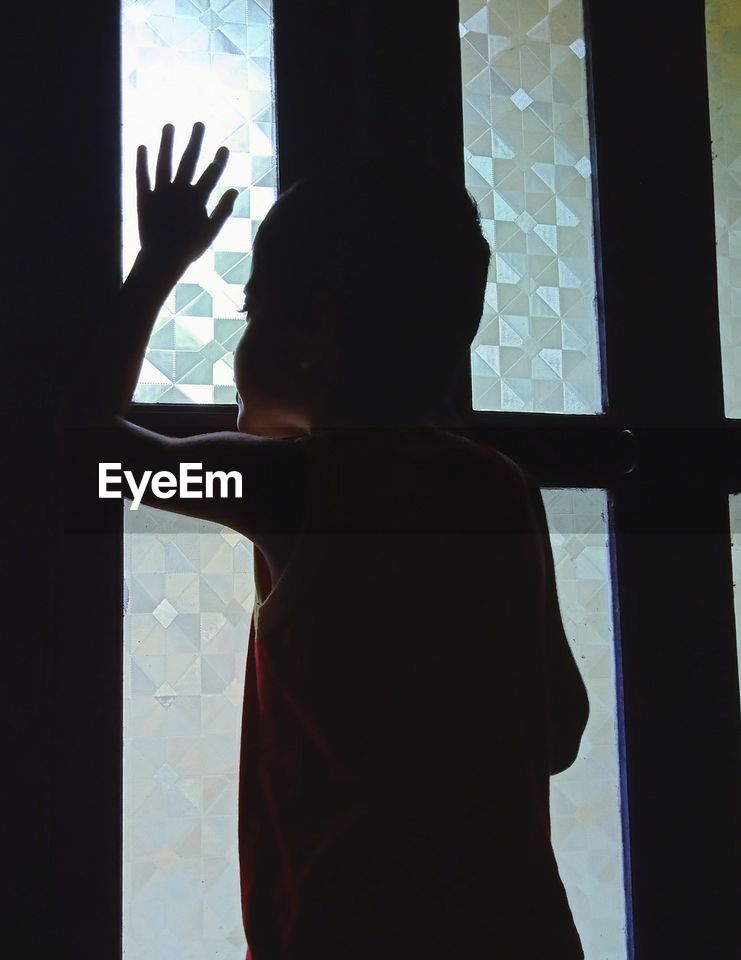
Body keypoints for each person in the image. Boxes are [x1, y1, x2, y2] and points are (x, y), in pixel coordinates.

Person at [69, 121, 590, 958]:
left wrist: (160, 261)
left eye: (252, 308)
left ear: (313, 334)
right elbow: (560, 724)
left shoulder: (295, 485)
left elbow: (85, 460)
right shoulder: (502, 486)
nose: (241, 335)